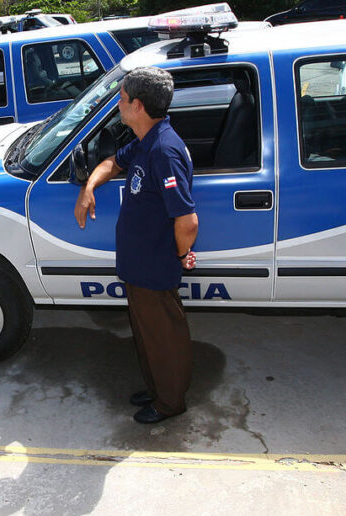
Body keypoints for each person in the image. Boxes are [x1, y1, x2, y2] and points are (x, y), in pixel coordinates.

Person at [73, 67, 198, 425]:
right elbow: (113, 162)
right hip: (140, 264)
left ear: (138, 106)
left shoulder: (164, 150)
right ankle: (158, 387)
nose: (119, 103)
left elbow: (187, 221)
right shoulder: (147, 140)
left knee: (163, 337)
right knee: (147, 334)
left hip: (155, 266)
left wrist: (176, 255)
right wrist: (89, 188)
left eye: (123, 98)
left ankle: (170, 402)